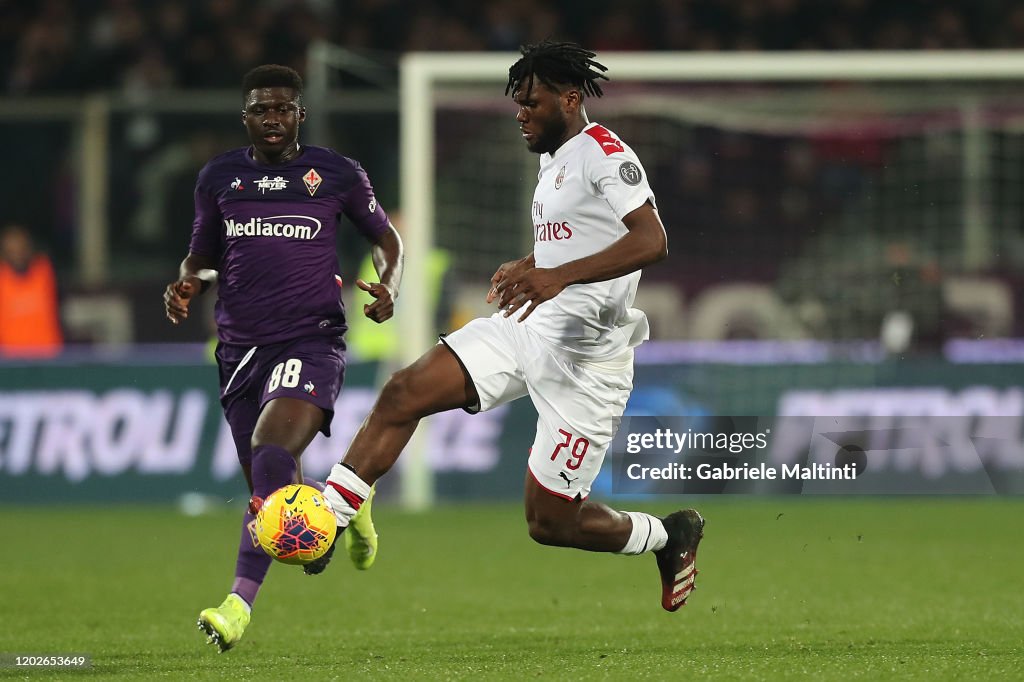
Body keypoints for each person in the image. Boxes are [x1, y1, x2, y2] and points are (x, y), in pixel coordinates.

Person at [315, 41, 704, 612]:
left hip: (589, 365)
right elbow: (579, 240)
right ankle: (327, 520)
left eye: (532, 102)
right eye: (517, 102)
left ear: (570, 100)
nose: (520, 112)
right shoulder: (552, 162)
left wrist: (559, 275)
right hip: (528, 329)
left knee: (550, 523)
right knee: (403, 391)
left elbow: (653, 241)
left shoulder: (604, 153)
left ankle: (668, 536)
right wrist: (535, 265)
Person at [162, 64, 403, 651]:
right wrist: (187, 282)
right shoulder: (219, 177)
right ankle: (345, 500)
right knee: (279, 513)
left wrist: (389, 282)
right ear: (244, 116)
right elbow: (200, 255)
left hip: (311, 340)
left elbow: (384, 237)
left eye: (283, 108)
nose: (273, 118)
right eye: (260, 109)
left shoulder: (337, 173)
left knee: (272, 448)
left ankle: (237, 607)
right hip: (240, 349)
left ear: (301, 114)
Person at [0, 223, 63, 358]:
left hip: (48, 356)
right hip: (10, 360)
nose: (18, 255)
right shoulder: (2, 278)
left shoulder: (45, 271)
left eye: (21, 248)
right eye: (11, 250)